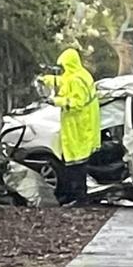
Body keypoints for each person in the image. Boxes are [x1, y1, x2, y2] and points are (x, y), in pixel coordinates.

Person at [41, 48, 101, 206]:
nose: (63, 70)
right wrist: (48, 80)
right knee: (74, 164)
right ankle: (74, 197)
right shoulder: (80, 74)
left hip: (79, 126)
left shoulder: (76, 80)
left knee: (77, 165)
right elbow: (64, 81)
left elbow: (77, 102)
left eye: (63, 66)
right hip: (81, 124)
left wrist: (56, 101)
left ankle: (79, 198)